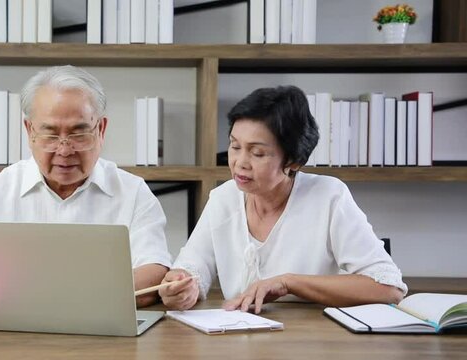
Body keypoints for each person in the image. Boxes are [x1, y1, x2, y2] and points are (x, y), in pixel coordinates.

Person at [0, 65, 171, 307]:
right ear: (29, 131)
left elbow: (154, 277)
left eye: (79, 134)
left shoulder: (133, 192)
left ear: (101, 130)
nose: (65, 150)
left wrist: (30, 290)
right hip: (11, 338)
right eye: (51, 134)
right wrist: (62, 291)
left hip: (105, 339)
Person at [159, 86, 407, 313]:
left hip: (313, 341)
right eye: (235, 147)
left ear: (294, 161)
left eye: (257, 153)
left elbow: (389, 288)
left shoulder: (329, 196)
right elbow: (193, 267)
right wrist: (183, 286)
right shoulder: (223, 198)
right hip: (235, 339)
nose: (240, 163)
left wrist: (288, 283)